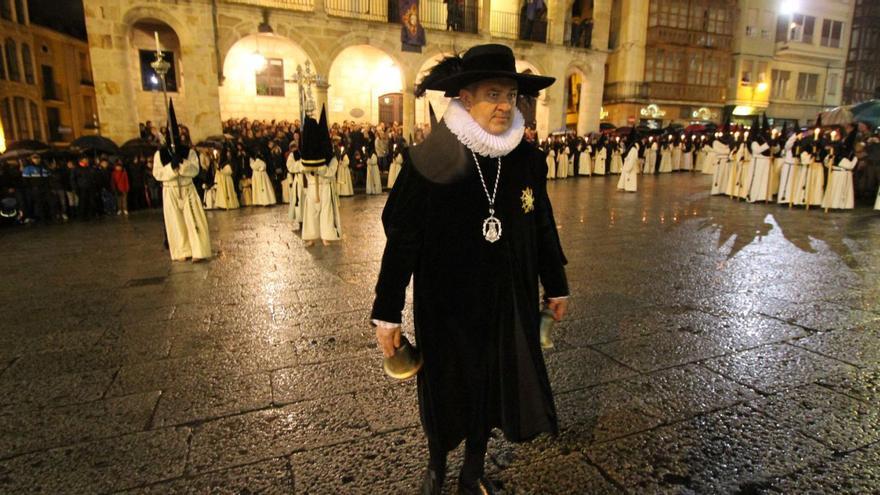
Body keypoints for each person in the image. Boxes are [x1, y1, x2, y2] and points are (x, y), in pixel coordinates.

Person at [371, 44, 568, 495]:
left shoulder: (526, 160)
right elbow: (402, 240)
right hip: (447, 305)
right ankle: (437, 465)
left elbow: (541, 225)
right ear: (464, 98)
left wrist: (556, 284)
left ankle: (471, 472)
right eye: (493, 94)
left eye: (511, 95)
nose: (504, 106)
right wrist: (387, 312)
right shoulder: (430, 159)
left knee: (491, 388)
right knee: (445, 388)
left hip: (506, 300)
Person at [152, 99, 212, 262]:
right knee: (176, 223)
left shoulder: (188, 152)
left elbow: (195, 170)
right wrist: (171, 167)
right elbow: (157, 174)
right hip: (170, 190)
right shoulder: (160, 154)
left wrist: (182, 164)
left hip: (187, 188)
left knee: (193, 219)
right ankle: (182, 251)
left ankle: (198, 250)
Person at [300, 107, 342, 246]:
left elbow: (330, 172)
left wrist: (320, 169)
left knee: (326, 212)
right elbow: (301, 167)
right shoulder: (305, 158)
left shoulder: (332, 158)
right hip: (312, 187)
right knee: (311, 212)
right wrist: (310, 169)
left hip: (325, 186)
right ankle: (311, 236)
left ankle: (326, 235)